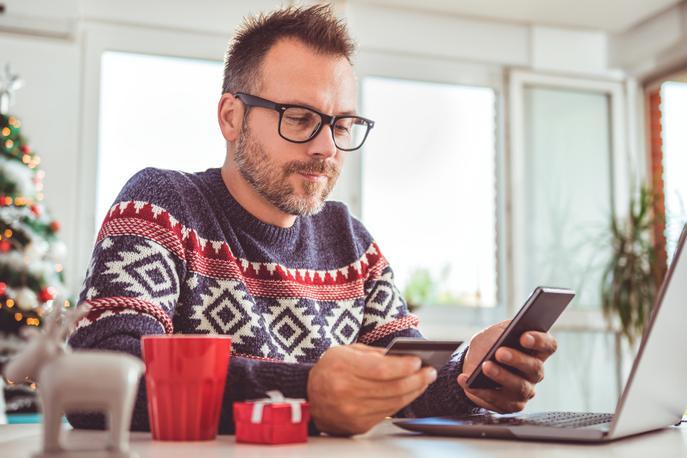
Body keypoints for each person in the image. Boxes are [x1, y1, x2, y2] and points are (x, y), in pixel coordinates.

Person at [68, 4, 557, 436]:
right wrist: (306, 395)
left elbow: (404, 380)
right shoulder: (160, 205)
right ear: (230, 117)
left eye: (341, 124)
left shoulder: (352, 242)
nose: (326, 148)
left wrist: (467, 377)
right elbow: (97, 378)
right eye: (299, 118)